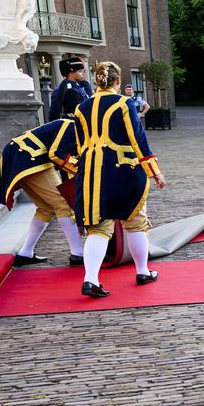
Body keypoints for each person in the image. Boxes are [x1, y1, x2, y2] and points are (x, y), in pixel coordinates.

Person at [74, 62, 167, 298]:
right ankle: (142, 271)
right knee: (136, 221)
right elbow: (138, 138)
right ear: (117, 82)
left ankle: (91, 279)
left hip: (91, 171)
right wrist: (154, 169)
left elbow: (80, 144)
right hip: (123, 168)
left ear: (97, 81)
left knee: (99, 226)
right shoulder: (124, 103)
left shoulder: (81, 107)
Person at [0, 118, 84, 266]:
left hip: (29, 157)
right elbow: (57, 154)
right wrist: (81, 172)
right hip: (28, 156)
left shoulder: (80, 131)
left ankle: (25, 253)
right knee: (63, 204)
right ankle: (78, 253)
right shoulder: (71, 126)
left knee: (46, 208)